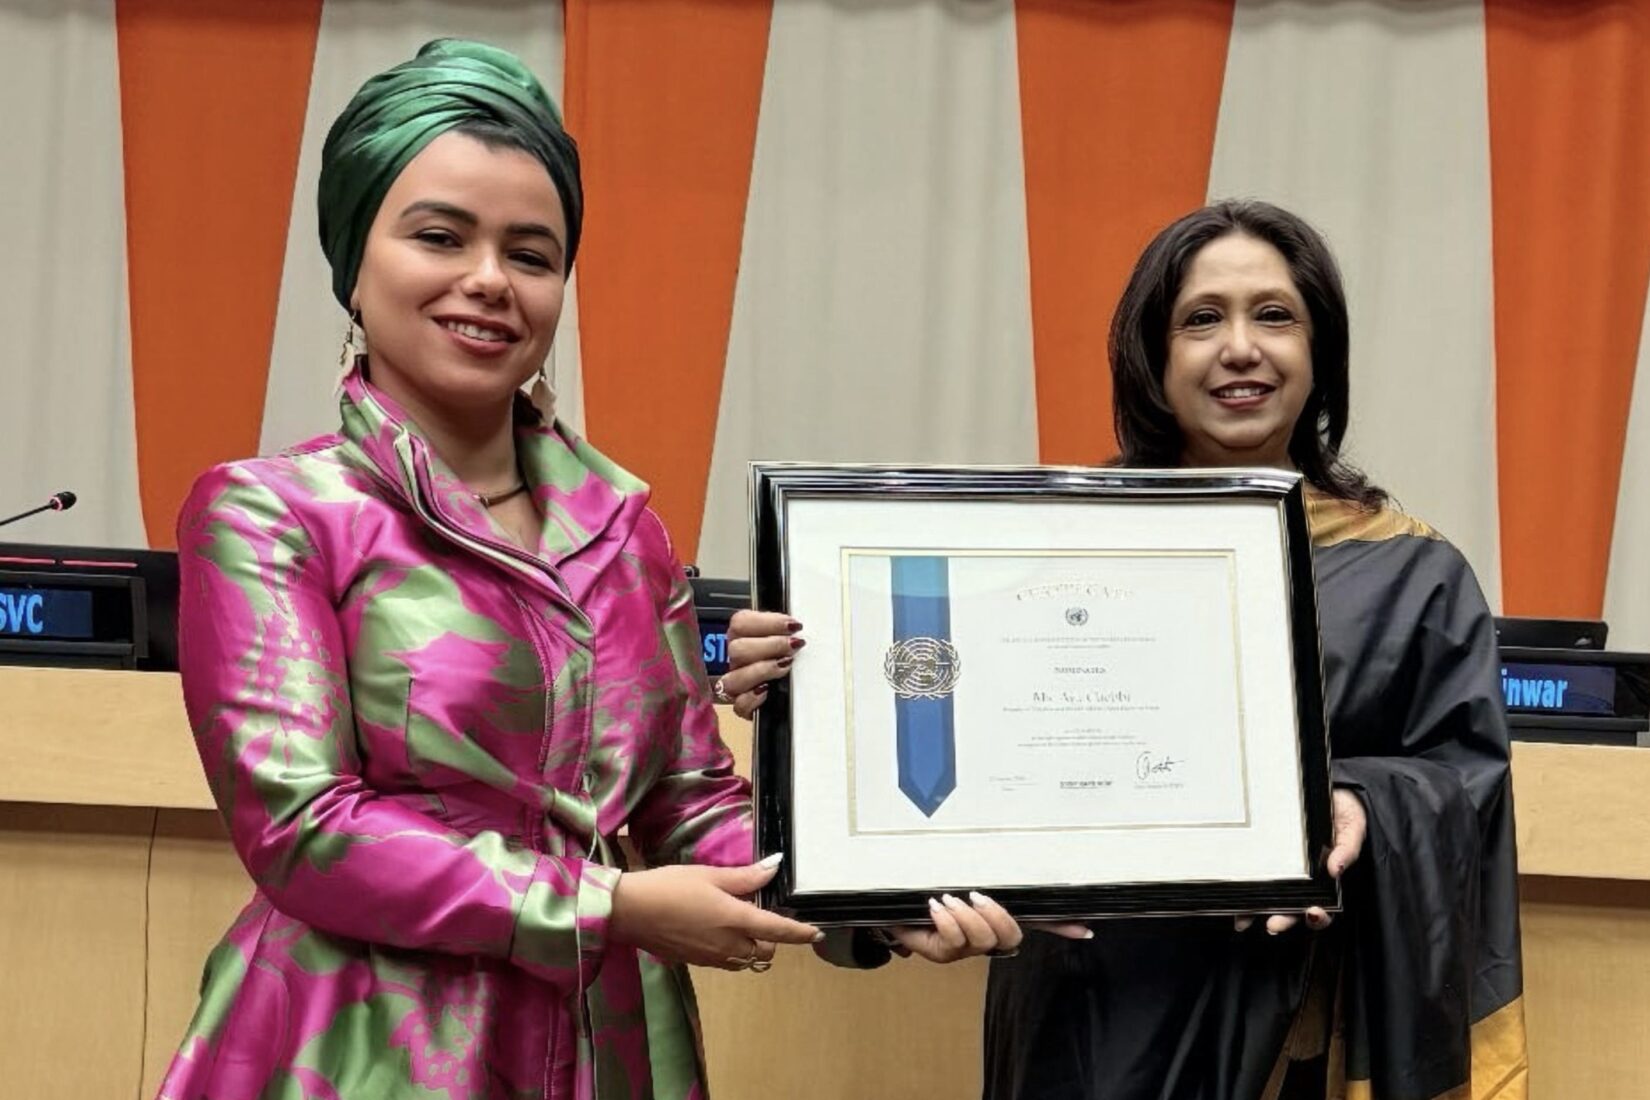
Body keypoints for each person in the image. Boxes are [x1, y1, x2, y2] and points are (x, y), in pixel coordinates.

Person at [159, 38, 869, 1100]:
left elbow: (687, 802)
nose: (488, 280)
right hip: (361, 1048)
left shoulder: (625, 529)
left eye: (531, 255)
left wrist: (879, 896)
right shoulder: (270, 514)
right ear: (355, 261)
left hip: (606, 1045)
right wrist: (610, 908)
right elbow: (305, 829)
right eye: (440, 236)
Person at [720, 200, 1527, 1099]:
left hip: (1298, 1017)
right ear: (1153, 354)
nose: (1240, 348)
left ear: (1320, 349)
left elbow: (1466, 787)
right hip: (1086, 1011)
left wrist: (1361, 801)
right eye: (1200, 319)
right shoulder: (1043, 543)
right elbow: (935, 721)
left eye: (1275, 315)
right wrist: (815, 682)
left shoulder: (1411, 570)